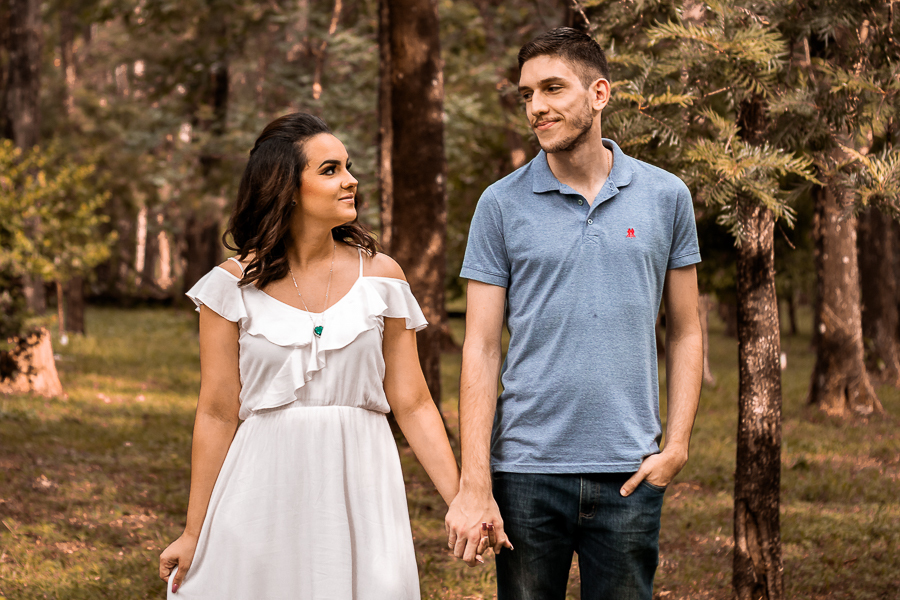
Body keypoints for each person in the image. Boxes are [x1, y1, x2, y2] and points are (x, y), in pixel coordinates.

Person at [444, 28, 703, 600]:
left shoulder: (666, 196)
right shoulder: (500, 204)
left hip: (630, 473)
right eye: (526, 94)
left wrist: (677, 445)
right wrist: (475, 480)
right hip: (526, 474)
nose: (537, 106)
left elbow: (686, 329)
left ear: (599, 94)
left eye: (553, 88)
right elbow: (481, 348)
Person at [158, 112, 460, 599]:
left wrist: (461, 500)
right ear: (288, 188)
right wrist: (194, 531)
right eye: (330, 169)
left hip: (363, 486)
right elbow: (216, 411)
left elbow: (414, 402)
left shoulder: (383, 276)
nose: (350, 179)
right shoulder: (230, 286)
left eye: (348, 166)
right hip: (261, 488)